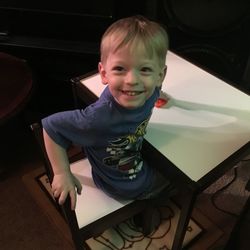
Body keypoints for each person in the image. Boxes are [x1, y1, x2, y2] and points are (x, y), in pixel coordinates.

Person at [42, 15, 175, 212]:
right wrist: (62, 173)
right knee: (178, 178)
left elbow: (155, 86)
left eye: (145, 69)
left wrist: (158, 94)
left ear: (160, 75)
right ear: (104, 74)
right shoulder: (97, 119)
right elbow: (51, 127)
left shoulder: (152, 89)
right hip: (123, 184)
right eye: (120, 69)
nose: (132, 80)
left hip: (128, 152)